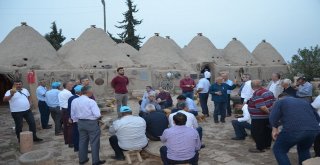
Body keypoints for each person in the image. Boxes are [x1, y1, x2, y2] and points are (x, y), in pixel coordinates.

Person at [270, 93, 320, 164]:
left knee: (279, 149)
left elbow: (273, 117)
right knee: (304, 149)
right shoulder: (305, 102)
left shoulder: (280, 101)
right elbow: (317, 118)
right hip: (313, 129)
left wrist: (274, 129)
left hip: (293, 129)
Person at [71, 86, 105, 165]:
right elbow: (97, 114)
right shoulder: (91, 101)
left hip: (80, 123)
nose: (92, 92)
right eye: (91, 91)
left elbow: (73, 114)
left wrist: (77, 121)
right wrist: (99, 117)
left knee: (82, 141)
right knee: (94, 142)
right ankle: (95, 161)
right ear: (88, 92)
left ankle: (82, 159)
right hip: (91, 123)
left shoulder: (74, 101)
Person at [247, 80, 275, 153]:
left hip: (259, 117)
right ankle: (267, 145)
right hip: (267, 117)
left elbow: (262, 107)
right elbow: (274, 102)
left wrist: (269, 113)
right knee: (267, 131)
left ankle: (260, 148)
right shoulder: (268, 91)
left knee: (256, 132)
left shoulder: (258, 93)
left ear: (252, 86)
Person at [59, 81, 74, 147]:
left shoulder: (61, 92)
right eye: (70, 84)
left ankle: (67, 141)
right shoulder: (68, 93)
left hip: (63, 110)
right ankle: (71, 142)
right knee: (70, 127)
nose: (72, 86)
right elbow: (73, 102)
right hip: (67, 110)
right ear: (67, 86)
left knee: (66, 126)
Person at [68, 85, 82, 152]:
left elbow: (69, 109)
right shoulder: (79, 99)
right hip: (79, 118)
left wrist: (70, 117)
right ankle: (80, 147)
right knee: (80, 134)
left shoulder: (71, 98)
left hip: (73, 118)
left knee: (75, 133)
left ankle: (76, 147)